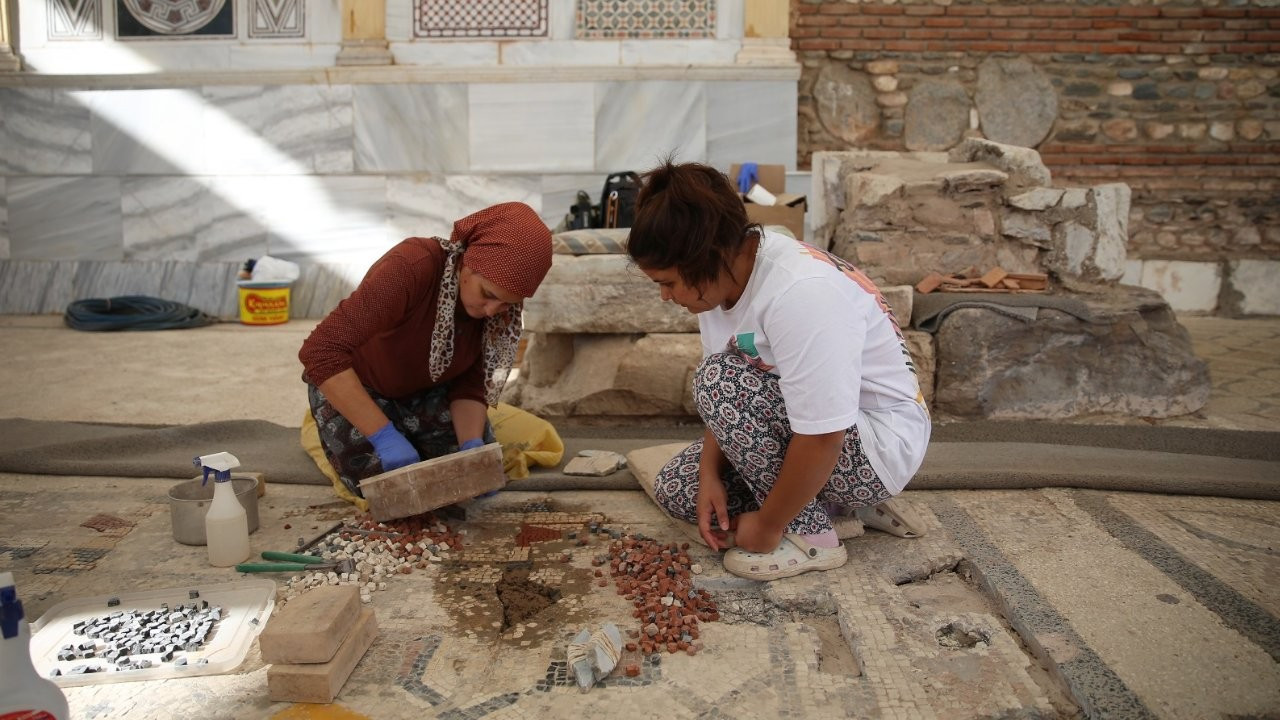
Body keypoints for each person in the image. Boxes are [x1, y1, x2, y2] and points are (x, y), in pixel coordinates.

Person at [627, 161, 931, 581]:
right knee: (681, 490)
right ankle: (834, 505)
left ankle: (813, 537)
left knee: (716, 381)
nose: (664, 297)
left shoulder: (801, 293)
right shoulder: (720, 282)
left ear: (707, 256)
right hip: (820, 430)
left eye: (669, 282)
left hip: (874, 448)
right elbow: (733, 397)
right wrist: (710, 473)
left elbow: (823, 433)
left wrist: (766, 527)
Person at [299, 202, 552, 499]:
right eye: (488, 295)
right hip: (363, 387)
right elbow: (321, 352)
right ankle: (376, 431)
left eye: (508, 303)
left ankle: (416, 438)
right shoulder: (411, 267)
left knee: (461, 476)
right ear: (467, 263)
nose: (493, 311)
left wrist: (471, 446)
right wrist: (383, 436)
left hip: (426, 393)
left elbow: (471, 385)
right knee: (388, 488)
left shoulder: (500, 310)